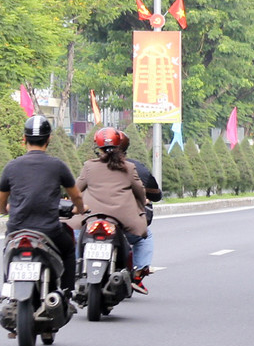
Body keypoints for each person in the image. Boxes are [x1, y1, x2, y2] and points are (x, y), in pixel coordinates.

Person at [0, 115, 85, 295]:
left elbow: (1, 201)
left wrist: (6, 209)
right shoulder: (57, 166)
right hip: (49, 231)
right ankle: (68, 293)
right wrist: (80, 209)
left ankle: (7, 290)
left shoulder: (11, 166)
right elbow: (76, 195)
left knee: (8, 253)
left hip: (16, 230)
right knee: (69, 249)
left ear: (24, 139)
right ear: (49, 139)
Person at [74, 127, 151, 294]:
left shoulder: (89, 166)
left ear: (98, 147)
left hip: (91, 217)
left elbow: (76, 189)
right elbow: (140, 192)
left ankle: (76, 270)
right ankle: (137, 274)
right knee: (146, 236)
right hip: (122, 219)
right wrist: (141, 204)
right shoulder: (129, 167)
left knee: (74, 233)